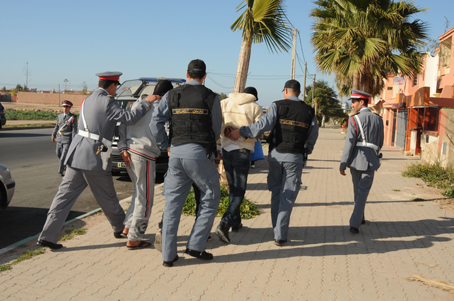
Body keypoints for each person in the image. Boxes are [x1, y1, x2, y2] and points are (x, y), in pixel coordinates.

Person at [37, 72, 160, 250]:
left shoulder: (87, 99)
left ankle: (47, 236)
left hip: (77, 153)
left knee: (63, 197)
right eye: (116, 86)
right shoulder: (108, 101)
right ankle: (120, 227)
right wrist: (145, 103)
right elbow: (128, 118)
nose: (116, 89)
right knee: (107, 195)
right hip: (94, 155)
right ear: (112, 85)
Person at [226, 79, 319, 246]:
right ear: (299, 93)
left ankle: (277, 229)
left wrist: (241, 131)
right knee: (288, 196)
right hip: (295, 158)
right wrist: (307, 151)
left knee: (276, 192)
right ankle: (280, 233)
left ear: (285, 91)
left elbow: (262, 125)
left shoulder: (277, 105)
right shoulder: (309, 111)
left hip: (276, 156)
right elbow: (313, 135)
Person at [150, 59, 222, 267]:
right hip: (199, 154)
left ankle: (168, 256)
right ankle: (196, 246)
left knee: (173, 204)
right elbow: (216, 128)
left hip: (176, 154)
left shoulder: (172, 95)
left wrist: (166, 145)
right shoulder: (211, 97)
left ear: (187, 74)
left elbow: (156, 121)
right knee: (210, 196)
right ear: (205, 76)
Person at [118, 80, 174, 250]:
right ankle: (135, 237)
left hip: (129, 153)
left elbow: (122, 124)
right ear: (166, 95)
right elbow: (163, 131)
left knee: (138, 192)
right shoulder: (161, 109)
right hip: (144, 155)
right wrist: (168, 147)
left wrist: (122, 147)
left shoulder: (136, 104)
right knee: (146, 199)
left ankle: (128, 227)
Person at [215, 87, 263, 244]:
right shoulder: (255, 107)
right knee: (239, 191)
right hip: (242, 151)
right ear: (253, 97)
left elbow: (216, 124)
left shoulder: (224, 103)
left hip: (227, 149)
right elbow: (259, 131)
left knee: (233, 188)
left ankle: (236, 222)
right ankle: (225, 223)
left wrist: (219, 144)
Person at [339, 89, 384, 234]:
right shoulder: (378, 119)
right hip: (371, 160)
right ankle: (361, 217)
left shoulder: (354, 119)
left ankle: (354, 224)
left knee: (357, 190)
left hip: (356, 160)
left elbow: (349, 143)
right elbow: (380, 142)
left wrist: (343, 163)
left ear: (362, 102)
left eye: (353, 102)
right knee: (362, 191)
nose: (352, 105)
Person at [52, 100, 78, 176]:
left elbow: (74, 130)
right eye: (64, 106)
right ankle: (65, 164)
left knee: (63, 156)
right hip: (59, 138)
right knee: (58, 153)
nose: (65, 108)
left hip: (67, 139)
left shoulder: (73, 117)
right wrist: (53, 135)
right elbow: (56, 126)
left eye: (67, 107)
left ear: (70, 108)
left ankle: (61, 171)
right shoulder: (59, 116)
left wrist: (73, 141)